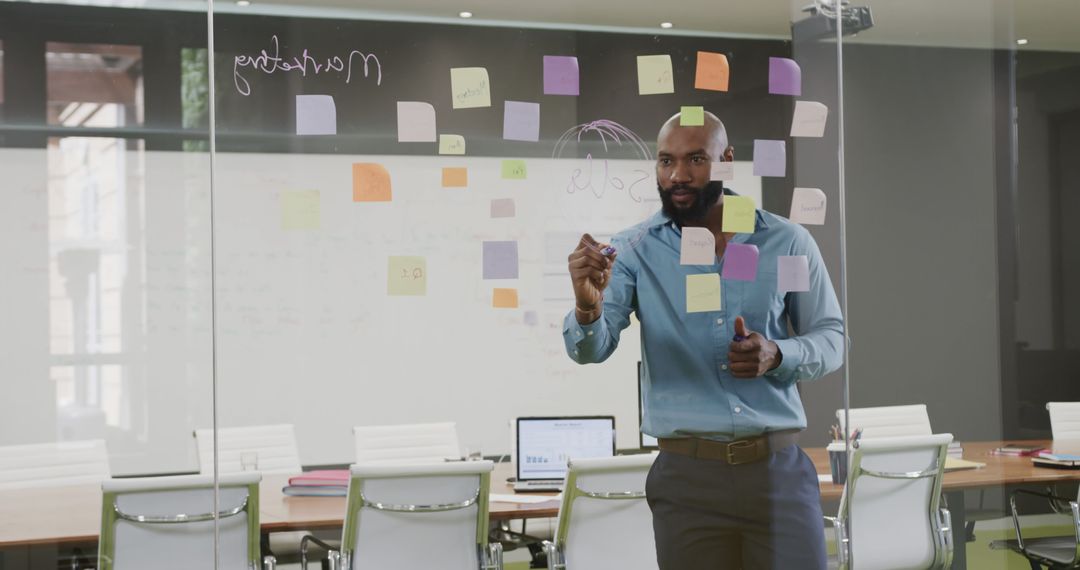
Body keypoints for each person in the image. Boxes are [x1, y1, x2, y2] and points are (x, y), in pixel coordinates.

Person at [563, 111, 844, 569]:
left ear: (727, 160)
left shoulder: (786, 241)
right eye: (665, 161)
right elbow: (591, 349)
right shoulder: (634, 251)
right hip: (687, 481)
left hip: (775, 474)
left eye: (695, 159)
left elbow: (832, 339)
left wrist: (778, 354)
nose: (677, 175)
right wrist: (587, 308)